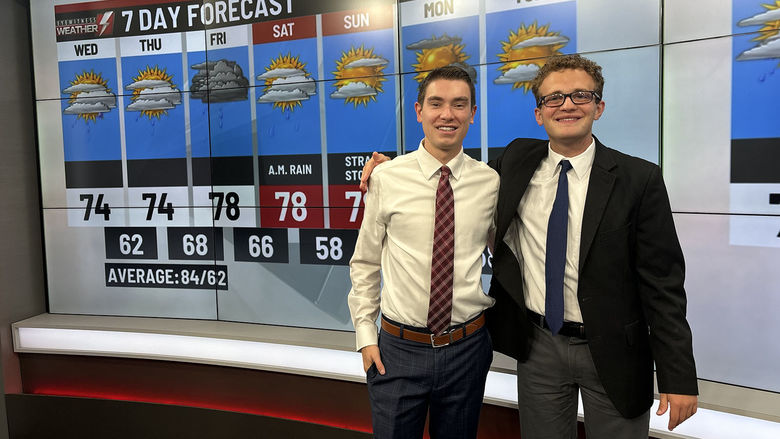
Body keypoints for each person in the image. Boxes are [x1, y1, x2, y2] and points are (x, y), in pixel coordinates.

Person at [360, 54, 698, 438]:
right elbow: (445, 170)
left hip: (615, 354)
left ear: (599, 107)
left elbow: (664, 285)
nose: (567, 105)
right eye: (554, 98)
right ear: (539, 114)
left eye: (580, 96)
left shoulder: (640, 179)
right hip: (539, 349)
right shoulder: (515, 163)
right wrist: (387, 170)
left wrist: (679, 374)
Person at [348, 65, 499, 439]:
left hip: (468, 349)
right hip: (397, 351)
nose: (447, 114)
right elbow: (365, 262)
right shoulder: (386, 178)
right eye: (436, 103)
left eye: (459, 104)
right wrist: (366, 336)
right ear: (418, 111)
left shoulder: (490, 181)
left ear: (473, 114)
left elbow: (507, 252)